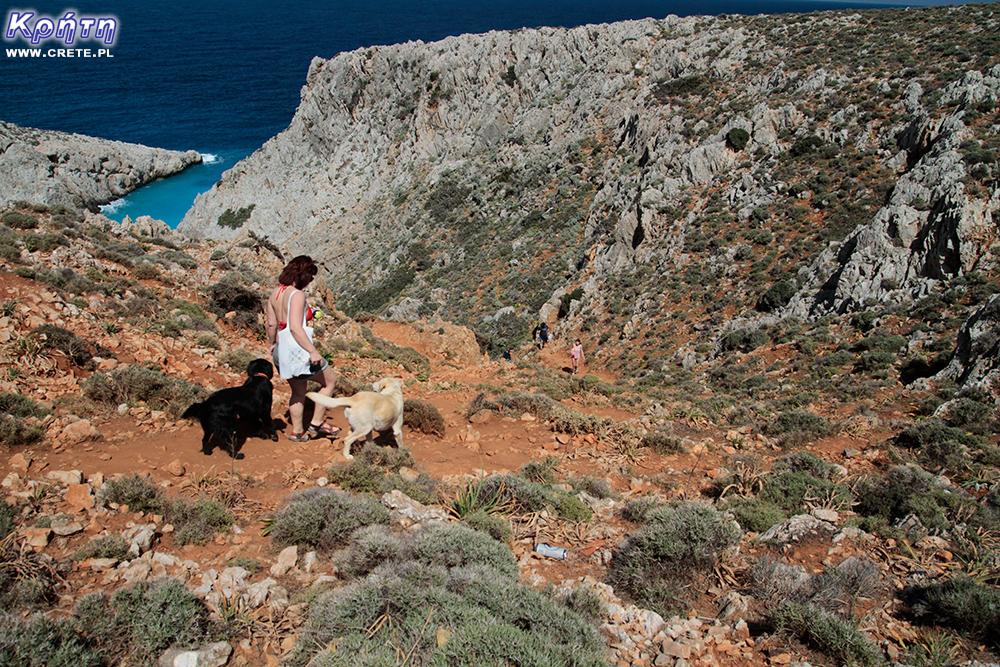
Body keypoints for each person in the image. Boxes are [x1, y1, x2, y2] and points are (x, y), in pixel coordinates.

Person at [266, 255, 341, 442]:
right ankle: (316, 423)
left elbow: (271, 324)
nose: (311, 281)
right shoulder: (297, 294)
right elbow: (295, 328)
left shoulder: (275, 293)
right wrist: (312, 351)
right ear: (302, 274)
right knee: (330, 381)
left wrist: (271, 344)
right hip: (298, 350)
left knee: (298, 392)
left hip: (281, 349)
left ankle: (297, 432)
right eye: (310, 276)